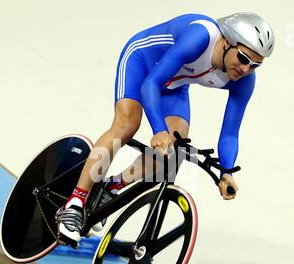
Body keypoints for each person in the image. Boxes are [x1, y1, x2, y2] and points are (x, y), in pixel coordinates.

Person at [56, 12, 274, 246]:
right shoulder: (201, 37)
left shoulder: (244, 81)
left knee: (173, 150)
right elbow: (151, 83)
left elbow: (230, 133)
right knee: (127, 125)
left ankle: (111, 187)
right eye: (243, 58)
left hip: (174, 83)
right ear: (227, 41)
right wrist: (158, 129)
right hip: (143, 62)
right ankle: (74, 204)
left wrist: (226, 173)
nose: (246, 69)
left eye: (255, 65)